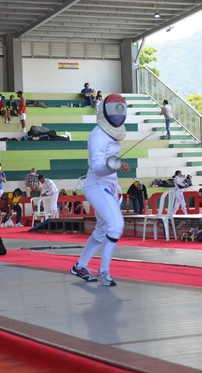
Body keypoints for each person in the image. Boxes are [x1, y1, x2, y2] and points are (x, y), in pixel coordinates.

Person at [70, 93, 131, 286]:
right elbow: (98, 167)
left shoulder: (112, 133)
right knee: (116, 226)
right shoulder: (97, 135)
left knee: (103, 229)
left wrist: (117, 165)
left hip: (109, 185)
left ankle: (80, 265)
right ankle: (104, 272)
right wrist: (112, 166)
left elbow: (109, 161)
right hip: (97, 185)